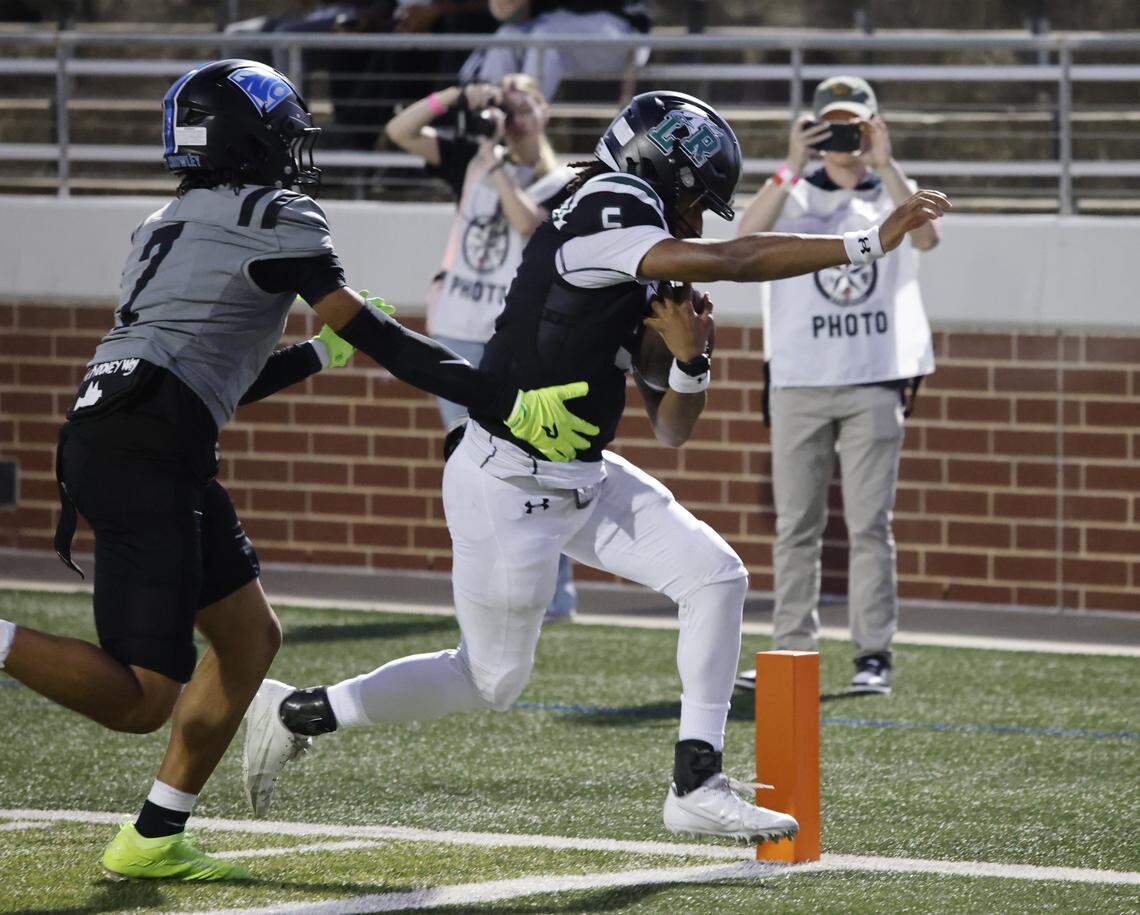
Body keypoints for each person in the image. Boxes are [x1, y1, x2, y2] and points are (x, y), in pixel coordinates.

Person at [243, 90, 948, 841]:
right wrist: (867, 241)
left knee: (716, 575)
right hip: (506, 478)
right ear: (662, 169)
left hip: (581, 474)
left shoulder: (638, 251)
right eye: (696, 198)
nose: (697, 218)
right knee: (489, 680)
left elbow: (673, 427)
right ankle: (296, 710)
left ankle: (696, 781)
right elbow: (737, 257)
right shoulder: (608, 203)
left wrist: (691, 360)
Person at [0, 58, 598, 881]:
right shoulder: (277, 213)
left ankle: (152, 836)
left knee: (249, 639)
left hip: (137, 429)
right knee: (143, 696)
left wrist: (319, 354)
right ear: (249, 139)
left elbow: (215, 374)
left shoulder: (166, 223)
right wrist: (497, 397)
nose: (292, 148)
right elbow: (384, 338)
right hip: (147, 446)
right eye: (281, 132)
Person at [733, 76, 940, 696]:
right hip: (798, 380)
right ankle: (793, 651)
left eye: (854, 125)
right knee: (796, 525)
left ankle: (873, 655)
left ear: (874, 126)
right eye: (831, 126)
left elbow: (928, 235)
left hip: (873, 380)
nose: (842, 138)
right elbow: (743, 241)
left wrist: (887, 162)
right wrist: (789, 166)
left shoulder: (891, 194)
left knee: (870, 524)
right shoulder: (792, 194)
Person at [386, 73, 580, 618]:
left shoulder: (565, 179)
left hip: (515, 338)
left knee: (535, 456)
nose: (509, 110)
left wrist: (498, 170)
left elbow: (529, 226)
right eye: (502, 101)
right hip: (455, 329)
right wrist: (456, 95)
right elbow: (399, 130)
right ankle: (488, 588)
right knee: (471, 460)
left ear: (543, 110)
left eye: (521, 100)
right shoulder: (469, 157)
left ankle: (554, 592)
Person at [460, 0, 651, 100]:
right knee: (506, 35)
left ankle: (524, 129)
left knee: (545, 39)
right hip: (553, 29)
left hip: (622, 34)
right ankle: (485, 122)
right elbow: (502, 11)